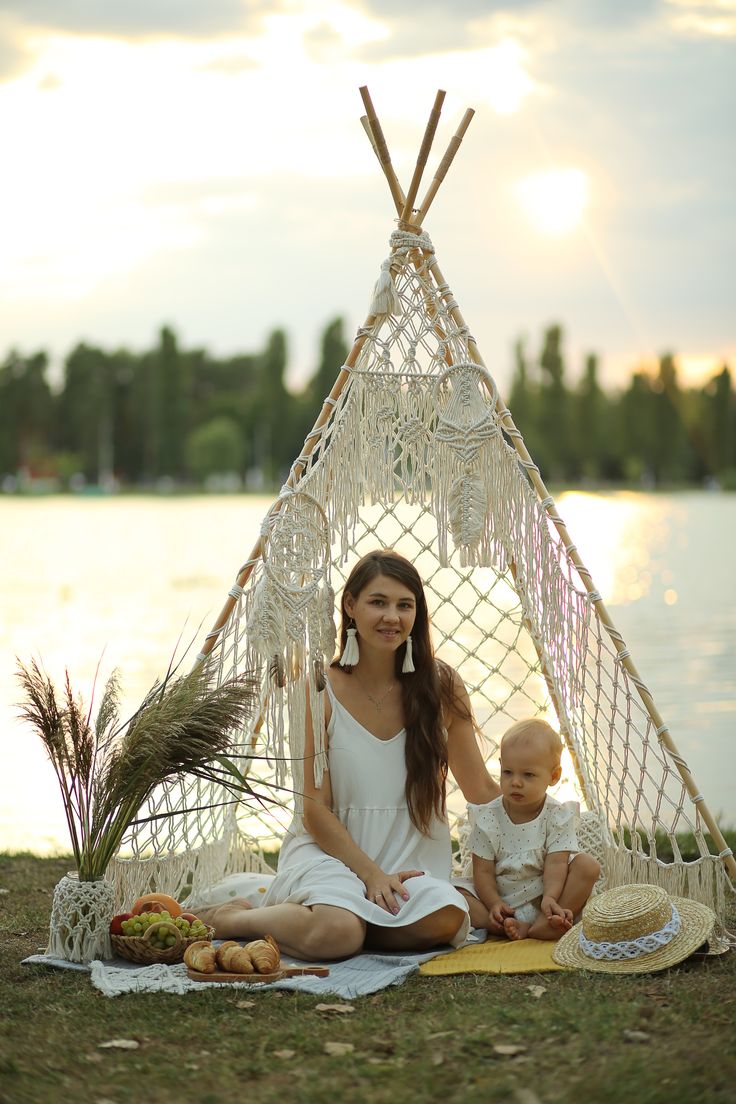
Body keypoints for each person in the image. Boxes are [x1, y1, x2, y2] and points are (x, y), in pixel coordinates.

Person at [198, 548, 500, 960]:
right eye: (378, 602)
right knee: (338, 933)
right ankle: (231, 919)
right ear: (351, 606)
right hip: (331, 853)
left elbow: (479, 786)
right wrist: (371, 875)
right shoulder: (319, 687)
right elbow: (315, 809)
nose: (391, 617)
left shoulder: (440, 685)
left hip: (408, 857)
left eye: (404, 605)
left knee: (448, 916)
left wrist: (544, 825)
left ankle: (346, 926)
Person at [463, 717, 600, 940]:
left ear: (554, 776)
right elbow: (483, 872)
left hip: (543, 899)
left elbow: (557, 863)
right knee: (456, 894)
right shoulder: (487, 817)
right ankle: (501, 924)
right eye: (508, 772)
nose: (515, 782)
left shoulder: (557, 816)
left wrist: (550, 899)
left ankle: (543, 923)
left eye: (528, 775)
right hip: (497, 900)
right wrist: (495, 903)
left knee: (587, 866)